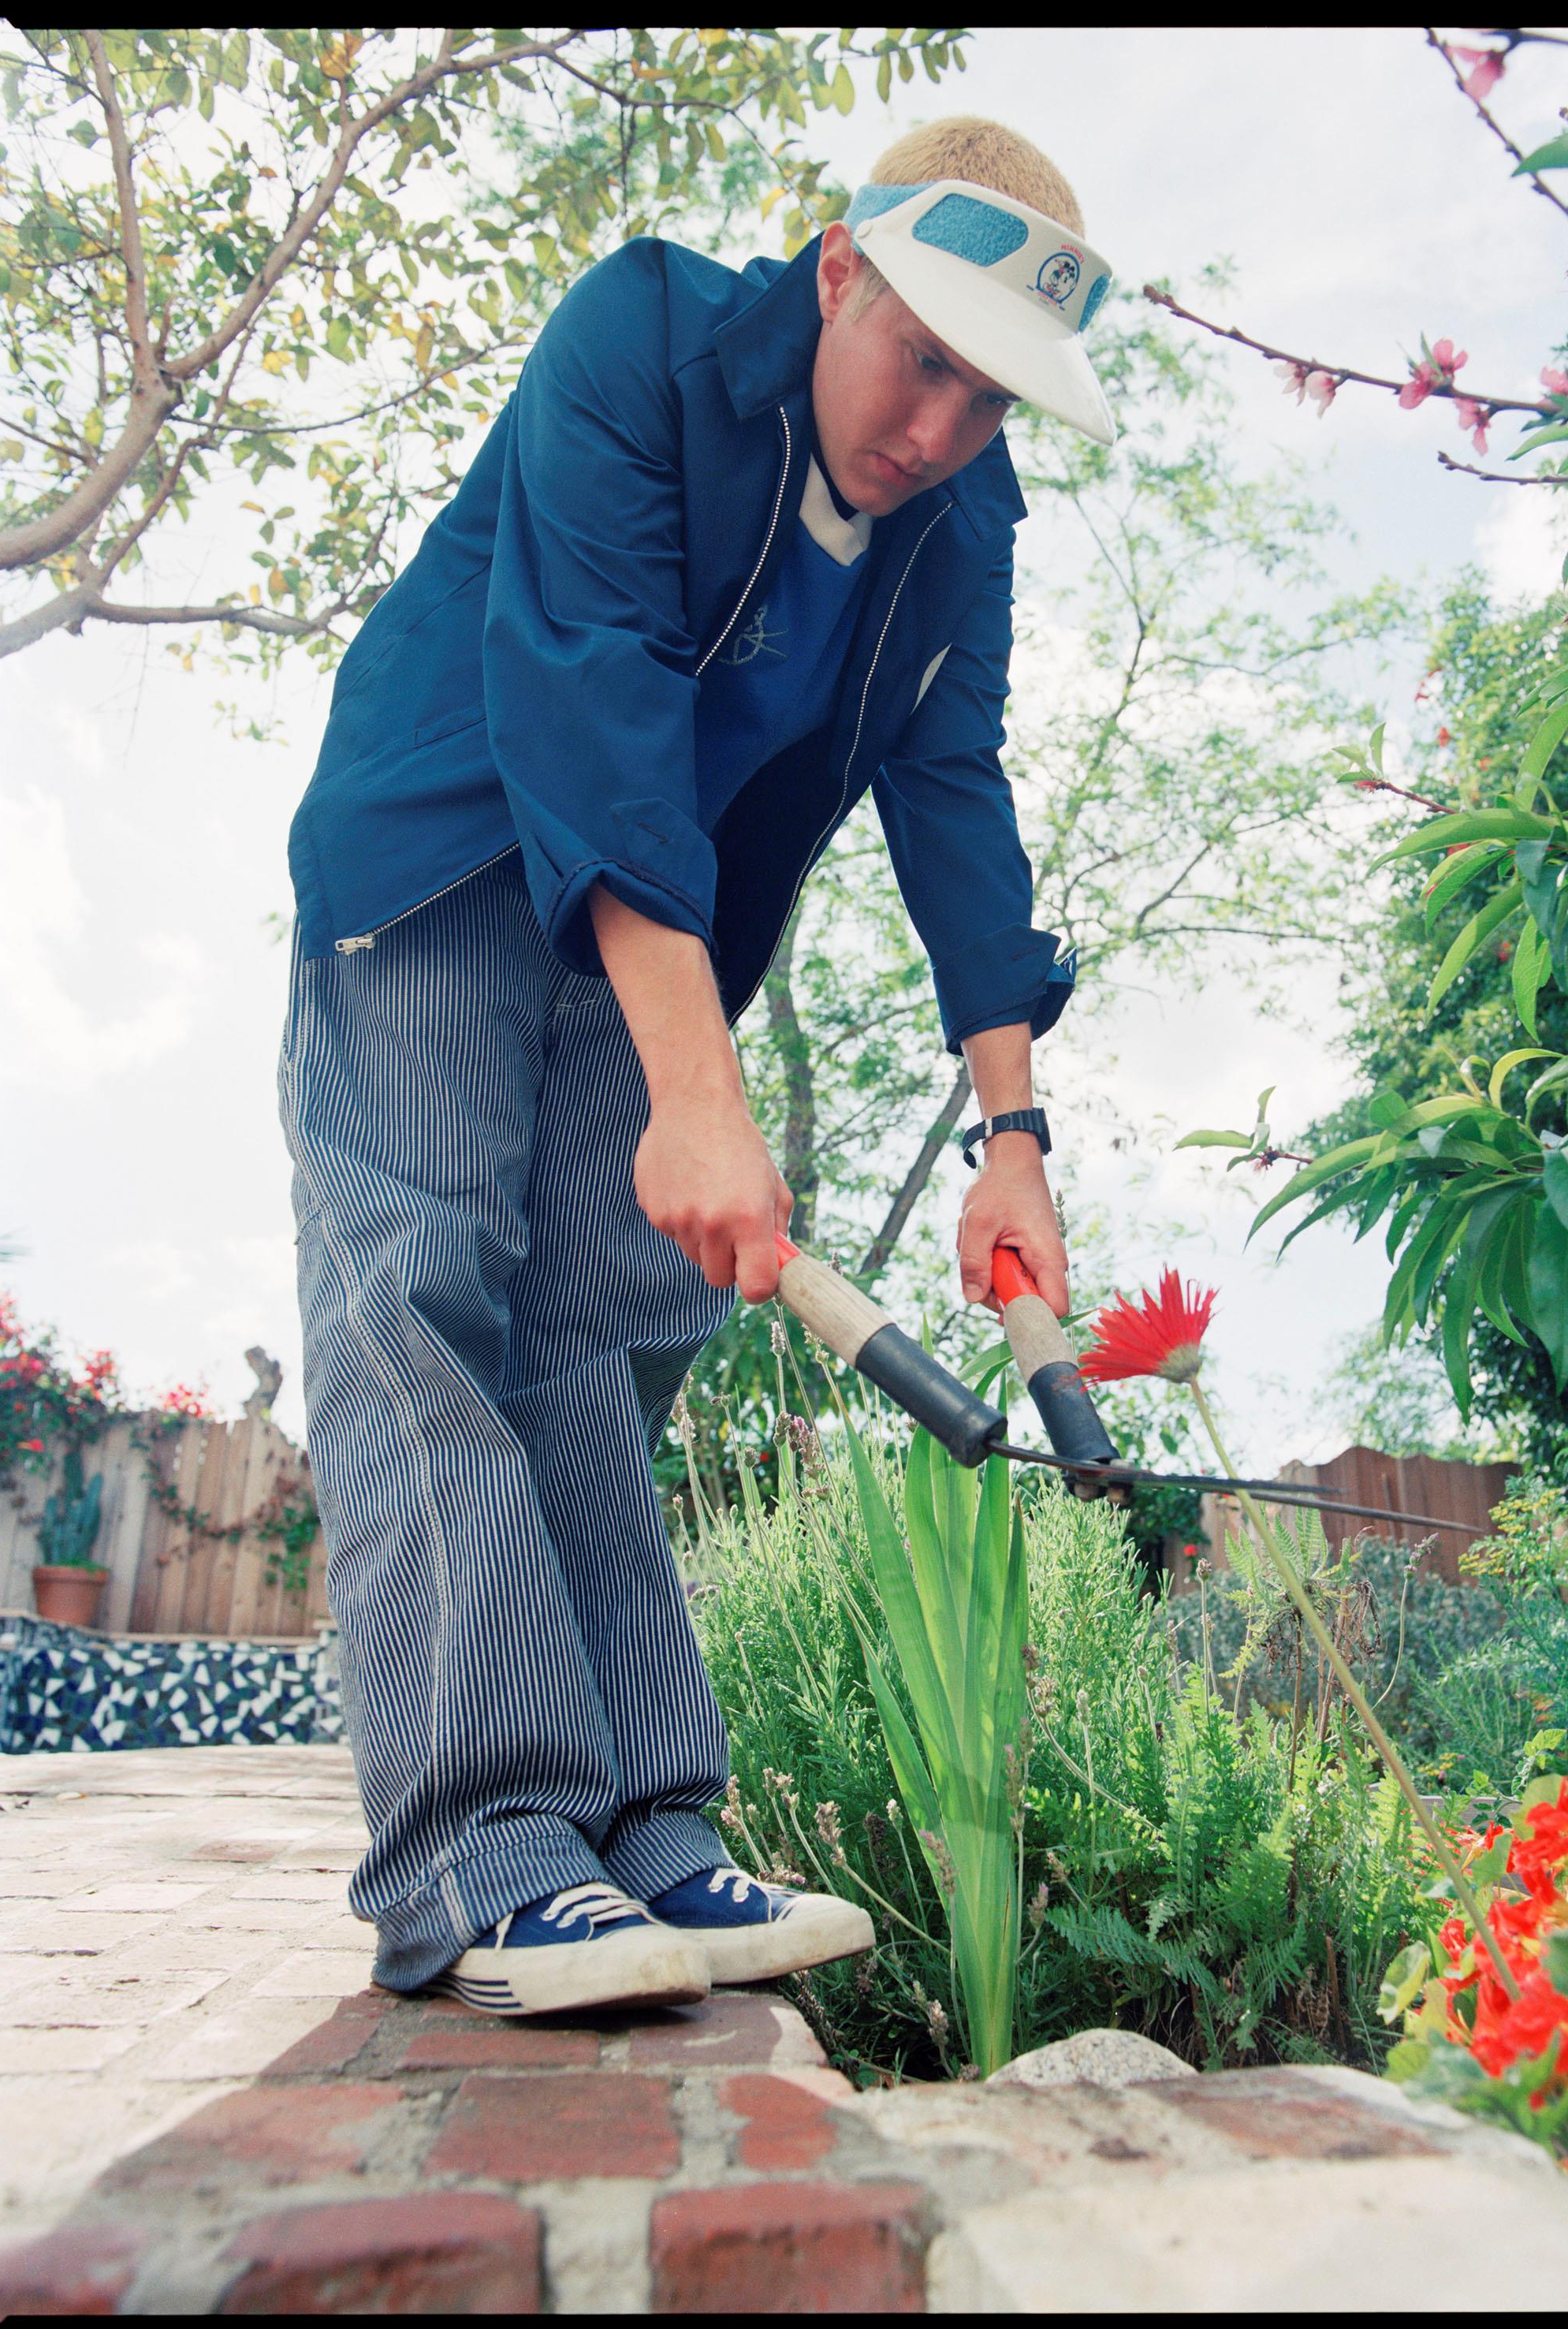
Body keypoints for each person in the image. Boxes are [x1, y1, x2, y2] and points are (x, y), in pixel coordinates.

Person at [277, 116, 1115, 2016]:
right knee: (423, 1296)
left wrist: (1015, 1136)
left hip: (645, 930)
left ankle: (643, 1828)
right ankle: (485, 1856)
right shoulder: (641, 341)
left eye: (993, 404)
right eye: (925, 365)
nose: (940, 436)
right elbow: (587, 687)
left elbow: (955, 792)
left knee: (611, 1324)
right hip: (437, 851)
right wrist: (698, 1085)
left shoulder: (957, 528)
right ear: (839, 274)